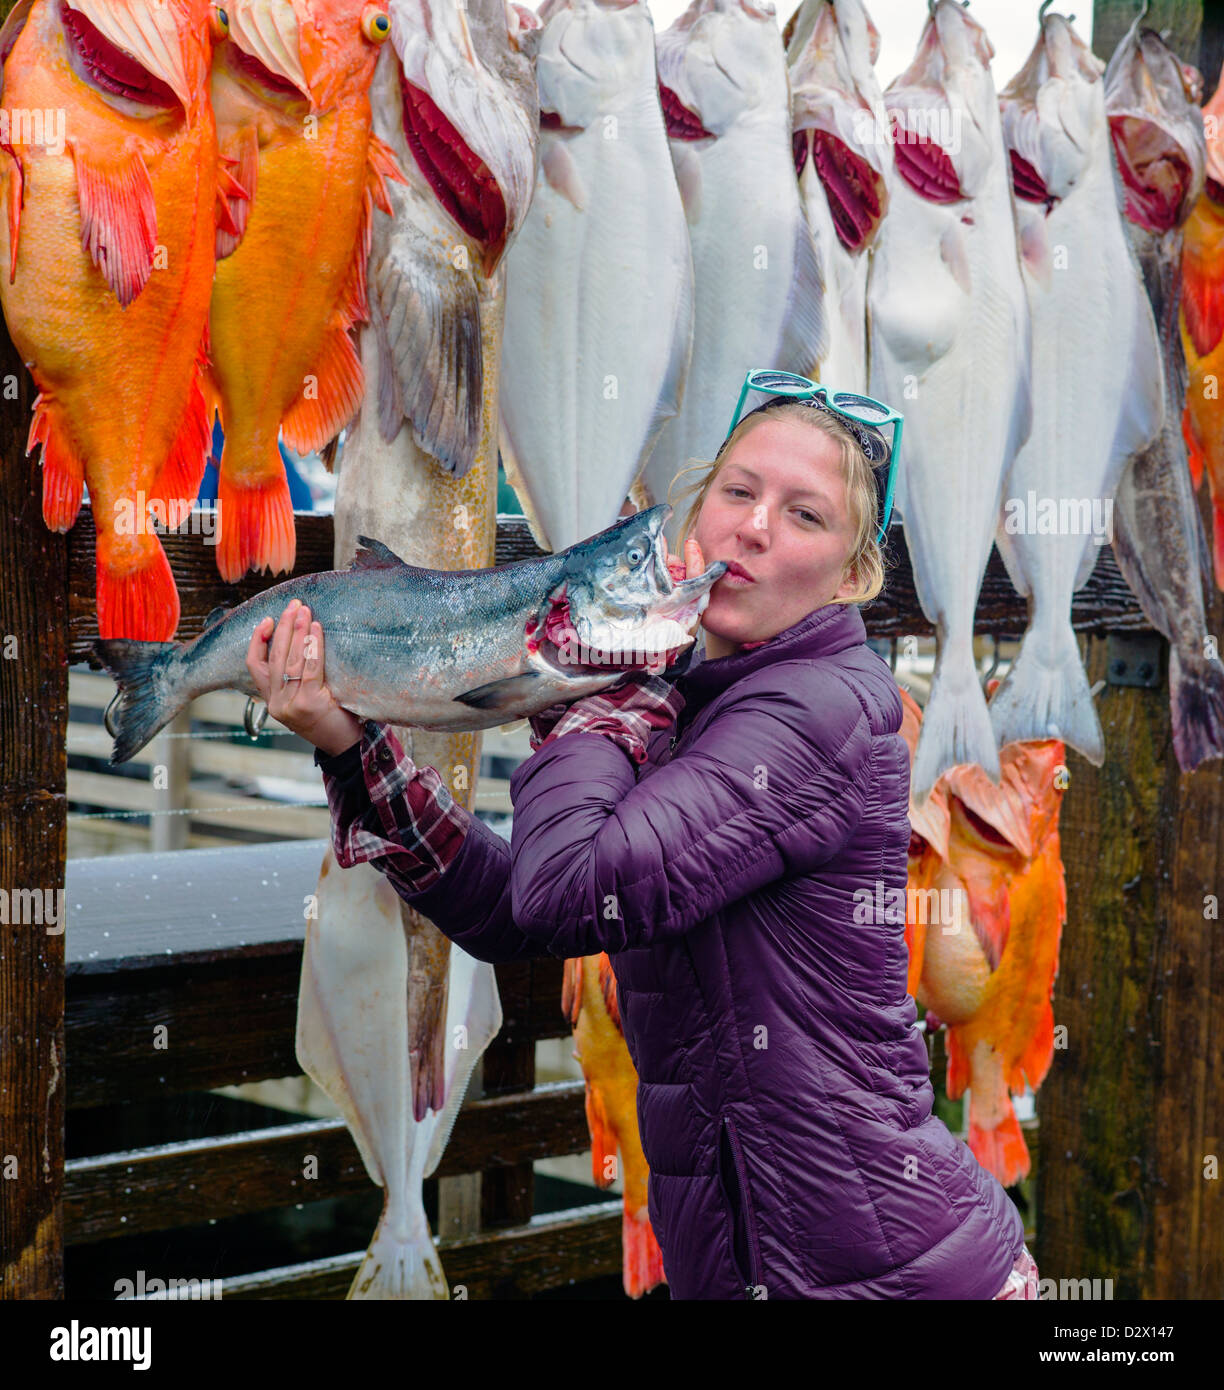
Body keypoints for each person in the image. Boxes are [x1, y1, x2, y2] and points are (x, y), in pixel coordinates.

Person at [245, 386, 1038, 1300]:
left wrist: (598, 693)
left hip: (889, 1273)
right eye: (738, 493)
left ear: (851, 577)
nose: (754, 528)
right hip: (761, 1266)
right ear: (693, 512)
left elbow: (569, 891)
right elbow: (517, 914)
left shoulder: (820, 709)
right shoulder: (691, 693)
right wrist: (351, 743)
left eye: (805, 514)